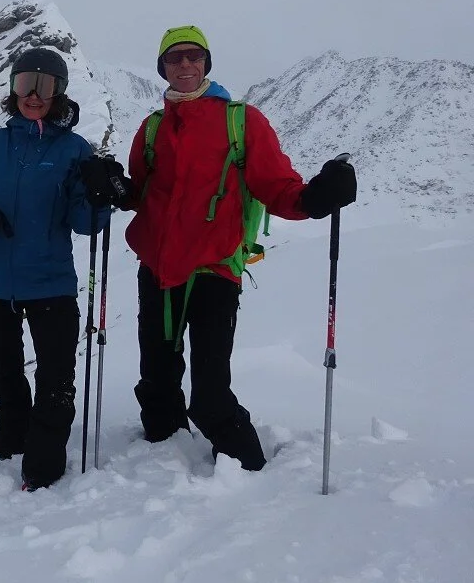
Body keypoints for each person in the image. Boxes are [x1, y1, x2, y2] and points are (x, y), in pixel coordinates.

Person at [79, 25, 357, 470]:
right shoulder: (152, 128)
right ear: (162, 68)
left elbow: (276, 186)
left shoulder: (241, 120)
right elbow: (140, 194)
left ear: (206, 63)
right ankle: (160, 459)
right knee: (156, 381)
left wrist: (316, 198)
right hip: (157, 268)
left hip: (214, 270)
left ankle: (246, 467)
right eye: (175, 58)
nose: (185, 64)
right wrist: (112, 184)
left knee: (209, 392)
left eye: (193, 56)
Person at [0, 48, 110, 491]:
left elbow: (86, 224)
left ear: (59, 91)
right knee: (5, 371)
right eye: (25, 83)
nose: (33, 95)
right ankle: (11, 443)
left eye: (44, 85)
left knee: (56, 374)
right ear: (12, 89)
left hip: (50, 282)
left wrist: (99, 194)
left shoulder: (74, 150)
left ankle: (43, 463)